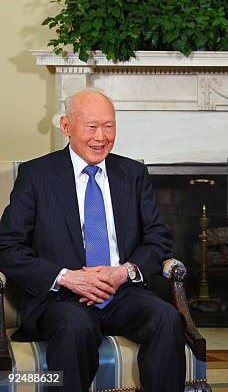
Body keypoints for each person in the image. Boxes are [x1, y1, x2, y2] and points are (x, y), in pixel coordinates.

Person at [0, 90, 185, 392]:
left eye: (109, 126)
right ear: (66, 126)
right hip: (62, 297)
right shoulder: (37, 175)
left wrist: (123, 272)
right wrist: (67, 278)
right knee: (76, 327)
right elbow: (7, 246)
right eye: (91, 127)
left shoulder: (133, 173)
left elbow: (158, 237)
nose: (101, 137)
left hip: (122, 290)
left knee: (166, 318)